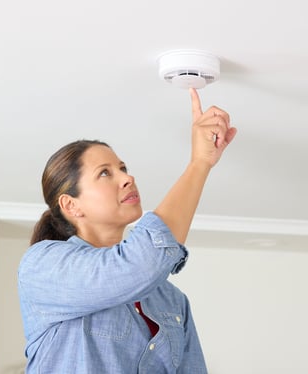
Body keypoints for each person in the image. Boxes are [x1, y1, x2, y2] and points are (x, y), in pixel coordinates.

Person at [18, 88, 237, 373]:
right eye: (105, 173)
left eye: (123, 167)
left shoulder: (172, 301)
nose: (127, 177)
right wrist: (199, 164)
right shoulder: (42, 267)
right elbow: (139, 263)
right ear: (71, 205)